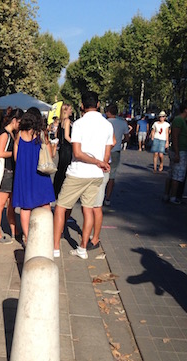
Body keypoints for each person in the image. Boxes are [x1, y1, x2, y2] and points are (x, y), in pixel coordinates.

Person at [53, 91, 112, 259]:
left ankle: (56, 247)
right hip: (96, 175)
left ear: (81, 105)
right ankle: (83, 248)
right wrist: (100, 163)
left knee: (61, 207)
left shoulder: (79, 124)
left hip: (78, 172)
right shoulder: (107, 125)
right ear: (98, 104)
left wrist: (96, 162)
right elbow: (106, 156)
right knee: (88, 210)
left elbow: (77, 153)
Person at [12, 111, 55, 244]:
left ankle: (27, 237)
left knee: (25, 207)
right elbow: (50, 155)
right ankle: (47, 234)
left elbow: (15, 157)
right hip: (40, 173)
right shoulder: (41, 135)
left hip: (24, 174)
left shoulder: (19, 135)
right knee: (45, 204)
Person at [0, 108, 22, 244]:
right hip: (5, 173)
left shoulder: (12, 133)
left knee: (11, 206)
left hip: (11, 172)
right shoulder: (4, 134)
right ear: (14, 121)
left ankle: (14, 231)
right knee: (0, 204)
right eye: (19, 122)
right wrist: (16, 152)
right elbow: (0, 153)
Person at [164, 100, 187, 204]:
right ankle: (172, 196)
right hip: (179, 150)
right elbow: (175, 137)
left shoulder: (181, 120)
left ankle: (167, 195)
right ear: (186, 109)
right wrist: (177, 152)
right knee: (176, 175)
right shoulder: (179, 120)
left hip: (179, 150)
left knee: (172, 173)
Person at [103, 104, 130, 208]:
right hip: (116, 151)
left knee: (102, 172)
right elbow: (127, 138)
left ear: (108, 112)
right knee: (112, 175)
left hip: (104, 150)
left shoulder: (104, 123)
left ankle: (100, 195)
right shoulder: (123, 123)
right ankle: (108, 198)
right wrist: (119, 141)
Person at [52, 103, 73, 197]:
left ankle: (55, 189)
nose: (71, 111)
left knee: (61, 169)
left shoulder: (61, 121)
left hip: (62, 147)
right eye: (70, 109)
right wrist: (75, 143)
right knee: (65, 169)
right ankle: (61, 190)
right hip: (67, 147)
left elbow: (57, 135)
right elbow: (67, 136)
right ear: (65, 110)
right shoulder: (67, 121)